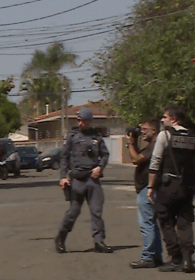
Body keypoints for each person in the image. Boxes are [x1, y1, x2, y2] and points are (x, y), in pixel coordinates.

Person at [147, 105, 195, 273]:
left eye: (165, 117)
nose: (162, 120)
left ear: (174, 119)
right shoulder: (193, 137)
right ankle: (188, 259)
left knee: (166, 220)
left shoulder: (165, 135)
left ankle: (176, 258)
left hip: (168, 184)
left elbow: (155, 161)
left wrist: (150, 186)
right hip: (188, 186)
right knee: (185, 222)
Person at [55, 107, 113, 254]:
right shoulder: (73, 136)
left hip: (92, 179)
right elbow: (64, 157)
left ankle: (99, 241)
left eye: (82, 120)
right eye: (78, 120)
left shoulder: (96, 137)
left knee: (96, 211)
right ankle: (61, 237)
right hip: (77, 180)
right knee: (73, 212)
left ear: (89, 121)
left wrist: (100, 167)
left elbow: (105, 155)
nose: (80, 123)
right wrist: (63, 176)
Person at [127, 119, 164, 269]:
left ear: (154, 130)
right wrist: (134, 142)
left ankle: (148, 257)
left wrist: (130, 143)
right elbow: (138, 156)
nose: (142, 132)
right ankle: (156, 255)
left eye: (145, 129)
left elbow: (136, 159)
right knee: (152, 223)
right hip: (151, 188)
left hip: (147, 189)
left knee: (146, 223)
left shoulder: (155, 146)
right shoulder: (152, 146)